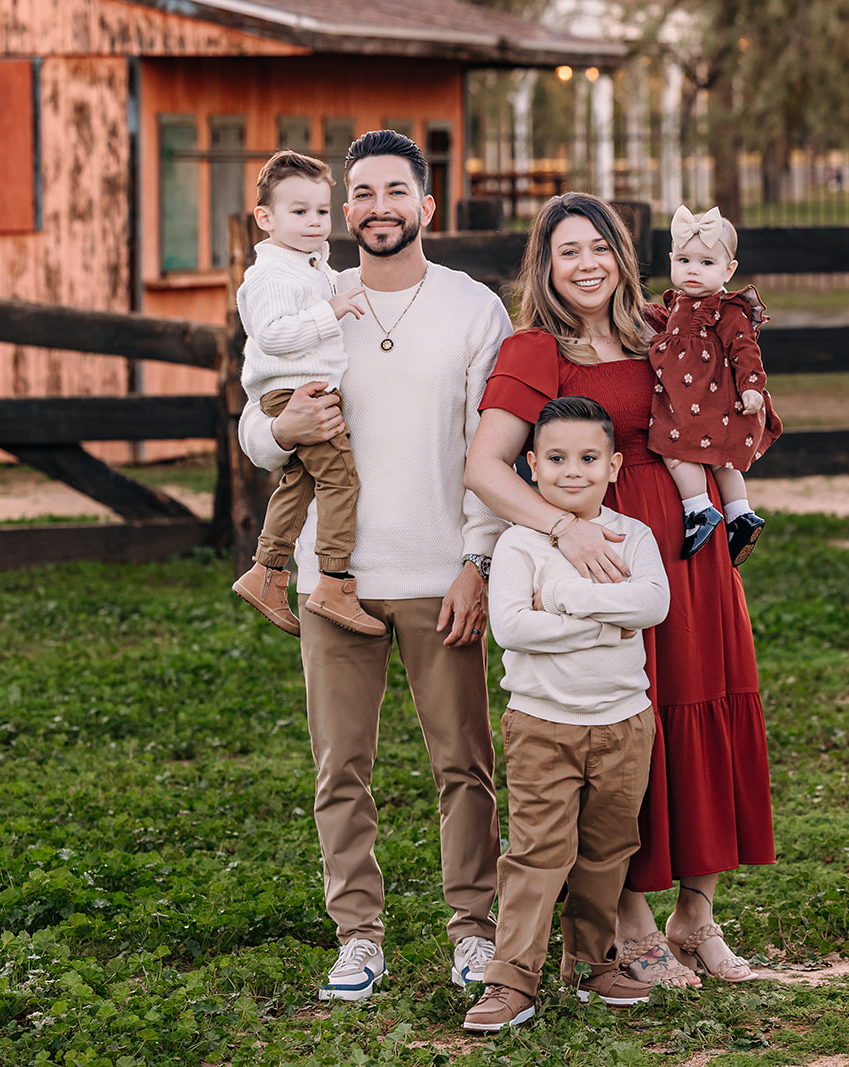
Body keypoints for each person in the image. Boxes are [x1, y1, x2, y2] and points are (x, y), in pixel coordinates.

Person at [464, 192, 775, 989]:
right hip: (603, 551)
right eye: (568, 251)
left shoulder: (664, 324)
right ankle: (627, 921)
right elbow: (486, 467)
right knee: (628, 726)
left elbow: (723, 400)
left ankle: (695, 917)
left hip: (690, 548)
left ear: (621, 253)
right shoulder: (537, 349)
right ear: (547, 265)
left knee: (706, 705)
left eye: (598, 246)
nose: (587, 263)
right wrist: (563, 528)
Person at [236, 130, 511, 1001]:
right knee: (338, 767)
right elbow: (255, 422)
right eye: (361, 193)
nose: (376, 207)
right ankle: (358, 935)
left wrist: (478, 559)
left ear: (427, 206)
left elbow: (491, 447)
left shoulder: (474, 308)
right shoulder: (310, 294)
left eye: (396, 191)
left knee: (464, 764)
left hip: (439, 575)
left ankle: (474, 928)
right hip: (330, 580)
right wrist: (282, 433)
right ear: (343, 208)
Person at [464, 396, 669, 1033]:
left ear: (613, 466)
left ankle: (592, 965)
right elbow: (512, 628)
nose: (571, 470)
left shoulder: (632, 535)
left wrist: (562, 600)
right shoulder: (519, 542)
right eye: (555, 458)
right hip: (542, 725)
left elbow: (652, 604)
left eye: (587, 458)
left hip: (623, 724)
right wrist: (603, 623)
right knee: (536, 854)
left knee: (608, 849)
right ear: (530, 466)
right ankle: (510, 982)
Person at [231, 149, 386, 639]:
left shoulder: (306, 265)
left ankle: (267, 573)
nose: (314, 222)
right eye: (298, 212)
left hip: (305, 388)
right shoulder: (273, 275)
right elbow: (272, 335)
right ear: (265, 218)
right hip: (296, 393)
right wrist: (330, 311)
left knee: (299, 481)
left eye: (321, 211)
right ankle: (334, 582)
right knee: (341, 481)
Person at [648, 204, 781, 563]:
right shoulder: (678, 302)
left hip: (706, 400)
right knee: (723, 463)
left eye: (707, 263)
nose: (693, 271)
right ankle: (740, 514)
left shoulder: (727, 308)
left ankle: (698, 510)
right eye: (684, 261)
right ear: (671, 260)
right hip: (698, 399)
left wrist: (752, 385)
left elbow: (745, 349)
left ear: (729, 269)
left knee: (672, 448)